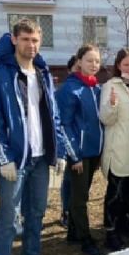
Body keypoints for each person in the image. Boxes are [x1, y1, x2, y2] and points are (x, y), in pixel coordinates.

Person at [0, 18, 64, 255]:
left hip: (41, 157)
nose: (31, 44)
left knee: (37, 210)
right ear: (14, 40)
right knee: (9, 215)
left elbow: (53, 115)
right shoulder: (0, 75)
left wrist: (59, 149)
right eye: (26, 39)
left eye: (35, 40)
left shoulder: (41, 72)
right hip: (15, 160)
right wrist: (2, 157)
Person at [58, 44, 106, 255]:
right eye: (89, 60)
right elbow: (64, 125)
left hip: (94, 152)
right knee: (79, 198)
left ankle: (73, 233)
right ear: (79, 62)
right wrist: (74, 155)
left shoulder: (96, 89)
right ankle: (86, 239)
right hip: (80, 155)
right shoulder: (70, 89)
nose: (94, 65)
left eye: (97, 61)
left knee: (83, 193)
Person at [99, 48, 129, 251]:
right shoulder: (111, 86)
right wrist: (112, 106)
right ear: (118, 66)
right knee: (115, 193)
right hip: (118, 148)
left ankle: (124, 224)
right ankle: (110, 230)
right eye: (126, 64)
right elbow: (105, 118)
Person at [58, 55, 80, 229]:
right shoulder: (66, 90)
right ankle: (66, 211)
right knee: (68, 180)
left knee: (77, 183)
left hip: (83, 144)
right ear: (69, 70)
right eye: (76, 68)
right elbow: (63, 122)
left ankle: (71, 212)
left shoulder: (90, 87)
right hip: (69, 142)